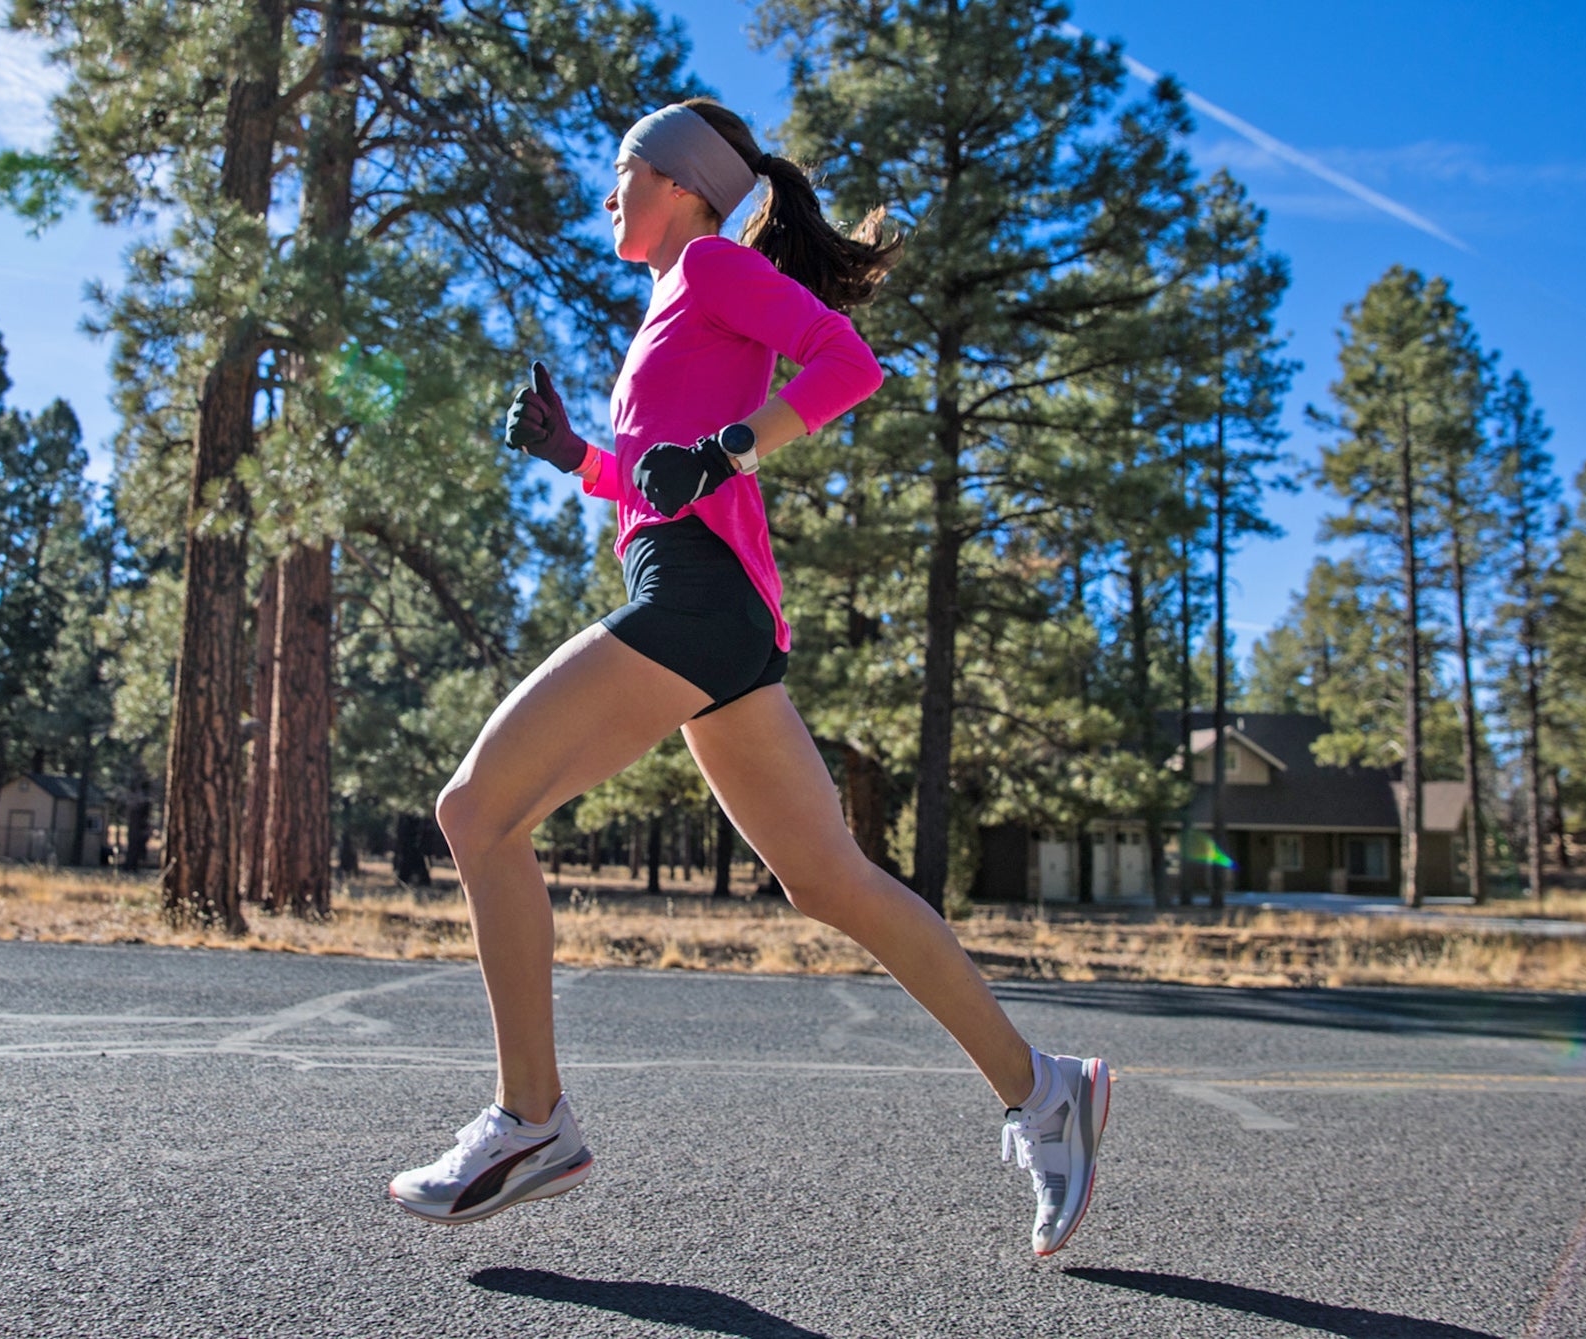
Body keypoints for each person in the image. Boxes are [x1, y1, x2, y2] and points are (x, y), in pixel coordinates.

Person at [387, 99, 1111, 1256]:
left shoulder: (715, 263)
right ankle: (1044, 1088)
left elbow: (846, 363)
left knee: (476, 812)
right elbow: (655, 479)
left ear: (676, 184)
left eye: (620, 175)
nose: (606, 196)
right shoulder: (670, 303)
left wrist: (727, 448)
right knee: (831, 883)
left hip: (696, 599)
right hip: (713, 612)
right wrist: (578, 454)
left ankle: (533, 1121)